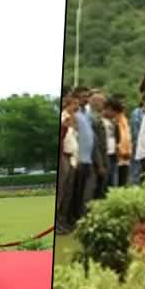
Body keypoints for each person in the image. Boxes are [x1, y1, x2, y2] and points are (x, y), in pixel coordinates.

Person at [72, 88, 96, 220]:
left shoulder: (85, 113)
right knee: (77, 191)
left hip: (88, 158)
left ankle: (83, 216)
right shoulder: (74, 114)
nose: (86, 99)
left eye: (87, 96)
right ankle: (75, 217)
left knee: (85, 191)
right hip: (79, 158)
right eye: (83, 96)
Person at [56, 96, 78, 234]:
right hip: (63, 155)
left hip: (71, 156)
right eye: (74, 104)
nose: (76, 107)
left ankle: (63, 221)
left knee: (68, 192)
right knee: (62, 191)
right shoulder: (64, 118)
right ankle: (57, 222)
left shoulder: (73, 118)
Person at [88, 94, 109, 199]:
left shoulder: (97, 118)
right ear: (96, 103)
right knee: (95, 189)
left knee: (100, 189)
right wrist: (100, 164)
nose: (104, 105)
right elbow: (94, 144)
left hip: (102, 157)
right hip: (96, 160)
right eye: (103, 103)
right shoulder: (92, 119)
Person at [129, 94, 145, 185]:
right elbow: (136, 131)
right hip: (138, 144)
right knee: (136, 166)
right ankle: (134, 184)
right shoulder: (137, 113)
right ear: (143, 102)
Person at [113, 99, 132, 187]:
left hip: (126, 156)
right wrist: (121, 152)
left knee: (123, 182)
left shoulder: (124, 120)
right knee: (116, 182)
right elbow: (117, 139)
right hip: (119, 156)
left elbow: (127, 138)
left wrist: (129, 151)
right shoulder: (115, 121)